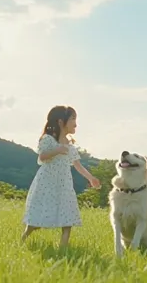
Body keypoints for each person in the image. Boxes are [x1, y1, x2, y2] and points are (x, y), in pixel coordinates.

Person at [21, 105, 101, 249]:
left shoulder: (70, 145)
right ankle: (24, 239)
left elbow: (77, 165)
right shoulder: (48, 139)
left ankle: (63, 247)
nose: (75, 124)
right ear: (60, 122)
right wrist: (56, 150)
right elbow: (42, 157)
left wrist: (91, 178)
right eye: (72, 119)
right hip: (47, 182)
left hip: (64, 184)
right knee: (36, 220)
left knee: (67, 217)